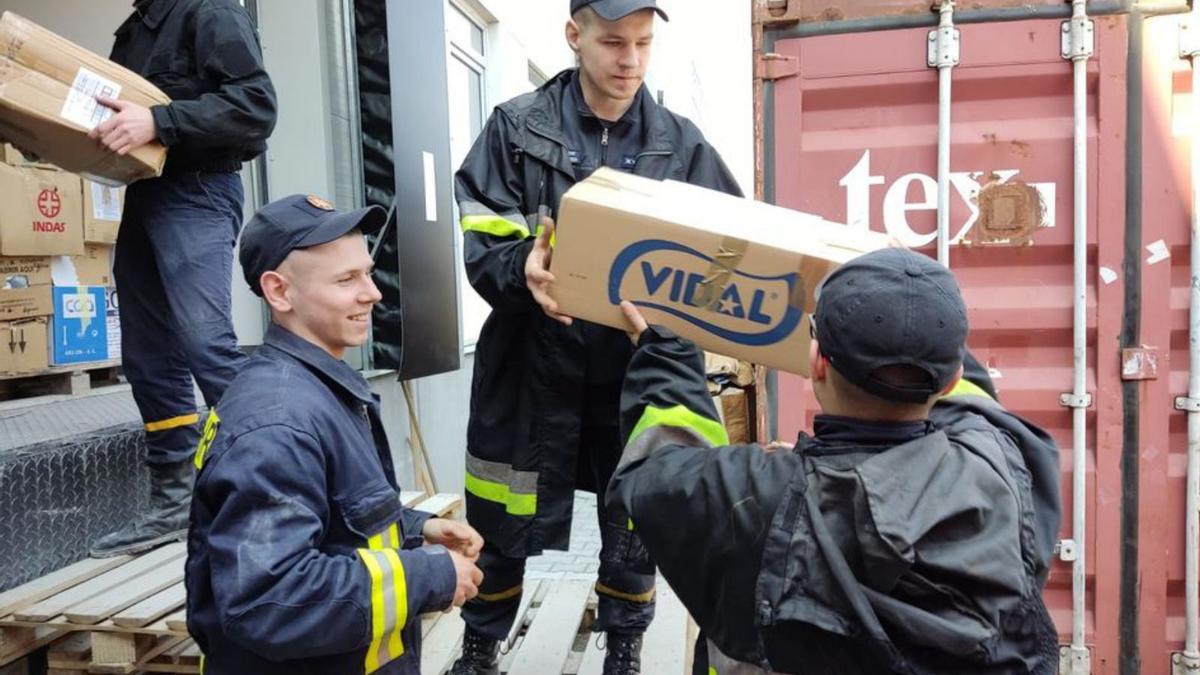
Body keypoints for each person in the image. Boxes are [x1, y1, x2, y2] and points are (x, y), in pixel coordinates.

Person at [451, 0, 742, 672]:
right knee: (502, 512)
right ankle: (479, 646)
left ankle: (625, 647)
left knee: (634, 521)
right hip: (530, 364)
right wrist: (518, 266)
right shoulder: (515, 130)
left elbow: (729, 251)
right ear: (574, 35)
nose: (630, 61)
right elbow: (482, 238)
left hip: (635, 370)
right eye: (614, 42)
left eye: (643, 44)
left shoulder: (681, 142)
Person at [608, 247, 1061, 674]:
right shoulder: (1009, 464)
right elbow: (974, 401)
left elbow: (653, 473)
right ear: (950, 380)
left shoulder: (756, 501)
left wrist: (666, 358)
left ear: (817, 362)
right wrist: (916, 307)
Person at [184, 194, 485, 674]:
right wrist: (429, 575)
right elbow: (272, 599)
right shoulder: (278, 421)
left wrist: (415, 529)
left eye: (367, 272)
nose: (373, 293)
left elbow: (331, 520)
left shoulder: (317, 389)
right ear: (279, 292)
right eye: (347, 280)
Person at [89, 0, 278, 557]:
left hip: (197, 190)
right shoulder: (134, 31)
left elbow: (256, 106)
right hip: (144, 193)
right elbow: (112, 113)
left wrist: (159, 121)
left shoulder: (210, 9)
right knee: (148, 355)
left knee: (206, 345)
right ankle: (175, 500)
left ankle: (285, 483)